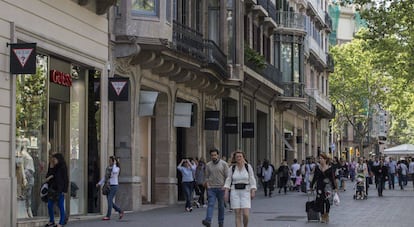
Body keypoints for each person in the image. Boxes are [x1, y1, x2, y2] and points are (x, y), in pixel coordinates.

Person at [224, 150, 257, 227]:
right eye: (237, 157)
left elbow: (252, 178)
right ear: (235, 159)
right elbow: (228, 179)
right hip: (235, 191)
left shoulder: (248, 167)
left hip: (245, 191)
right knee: (237, 214)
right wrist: (226, 191)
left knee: (245, 214)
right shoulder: (232, 168)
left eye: (240, 156)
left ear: (243, 157)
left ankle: (245, 225)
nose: (239, 158)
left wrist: (253, 190)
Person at [202, 149, 228, 227]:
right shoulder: (208, 165)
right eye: (212, 155)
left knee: (221, 206)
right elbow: (206, 176)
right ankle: (208, 221)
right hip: (211, 188)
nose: (213, 156)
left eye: (215, 155)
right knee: (210, 204)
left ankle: (221, 222)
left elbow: (227, 177)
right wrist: (208, 185)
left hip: (221, 188)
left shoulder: (224, 164)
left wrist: (225, 186)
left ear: (218, 155)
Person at [310, 152, 337, 223]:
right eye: (319, 158)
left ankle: (327, 214)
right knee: (320, 201)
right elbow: (315, 177)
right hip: (319, 186)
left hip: (328, 187)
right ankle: (322, 216)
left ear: (325, 160)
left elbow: (332, 178)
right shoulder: (317, 168)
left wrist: (334, 187)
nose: (320, 160)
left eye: (321, 158)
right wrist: (311, 186)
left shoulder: (330, 168)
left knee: (327, 201)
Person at [45, 153, 69, 227]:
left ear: (58, 159)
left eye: (54, 159)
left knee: (60, 205)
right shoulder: (52, 166)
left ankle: (61, 222)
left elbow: (66, 179)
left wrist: (65, 190)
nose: (53, 160)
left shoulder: (62, 167)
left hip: (60, 189)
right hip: (52, 189)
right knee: (49, 205)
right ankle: (52, 220)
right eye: (53, 159)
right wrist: (51, 168)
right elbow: (47, 176)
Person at [96, 156, 124, 220]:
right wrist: (99, 183)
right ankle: (120, 211)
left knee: (109, 200)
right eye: (109, 160)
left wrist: (114, 164)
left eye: (110, 160)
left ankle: (108, 216)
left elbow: (114, 172)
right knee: (110, 201)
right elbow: (105, 177)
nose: (109, 161)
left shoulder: (116, 168)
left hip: (114, 186)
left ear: (113, 161)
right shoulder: (108, 168)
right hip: (107, 186)